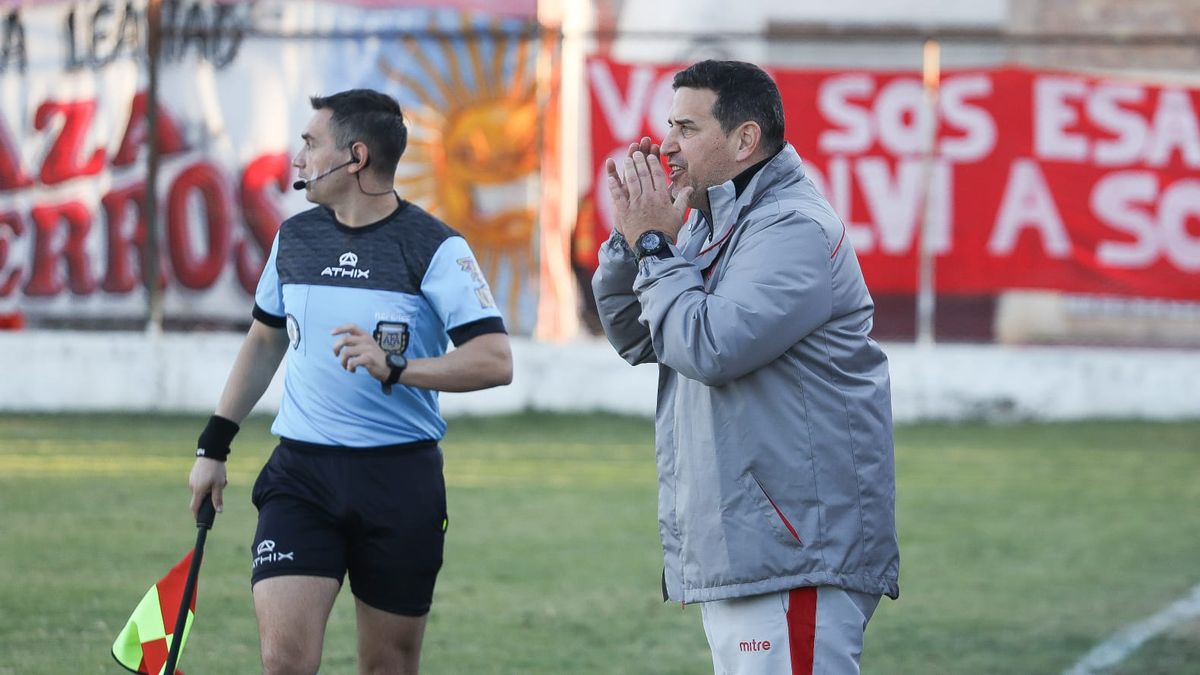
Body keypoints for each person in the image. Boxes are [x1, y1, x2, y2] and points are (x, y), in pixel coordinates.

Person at [187, 88, 512, 675]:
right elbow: (265, 340)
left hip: (400, 480)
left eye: (311, 144)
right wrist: (213, 445)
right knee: (284, 662)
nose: (298, 158)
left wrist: (399, 370)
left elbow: (494, 360)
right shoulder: (296, 238)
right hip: (301, 476)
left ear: (355, 157)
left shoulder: (436, 248)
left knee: (386, 665)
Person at [592, 60, 899, 674]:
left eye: (686, 127)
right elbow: (638, 336)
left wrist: (656, 245)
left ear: (744, 140)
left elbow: (710, 348)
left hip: (795, 550)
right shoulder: (713, 220)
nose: (667, 144)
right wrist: (633, 240)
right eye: (668, 125)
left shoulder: (791, 227)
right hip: (750, 546)